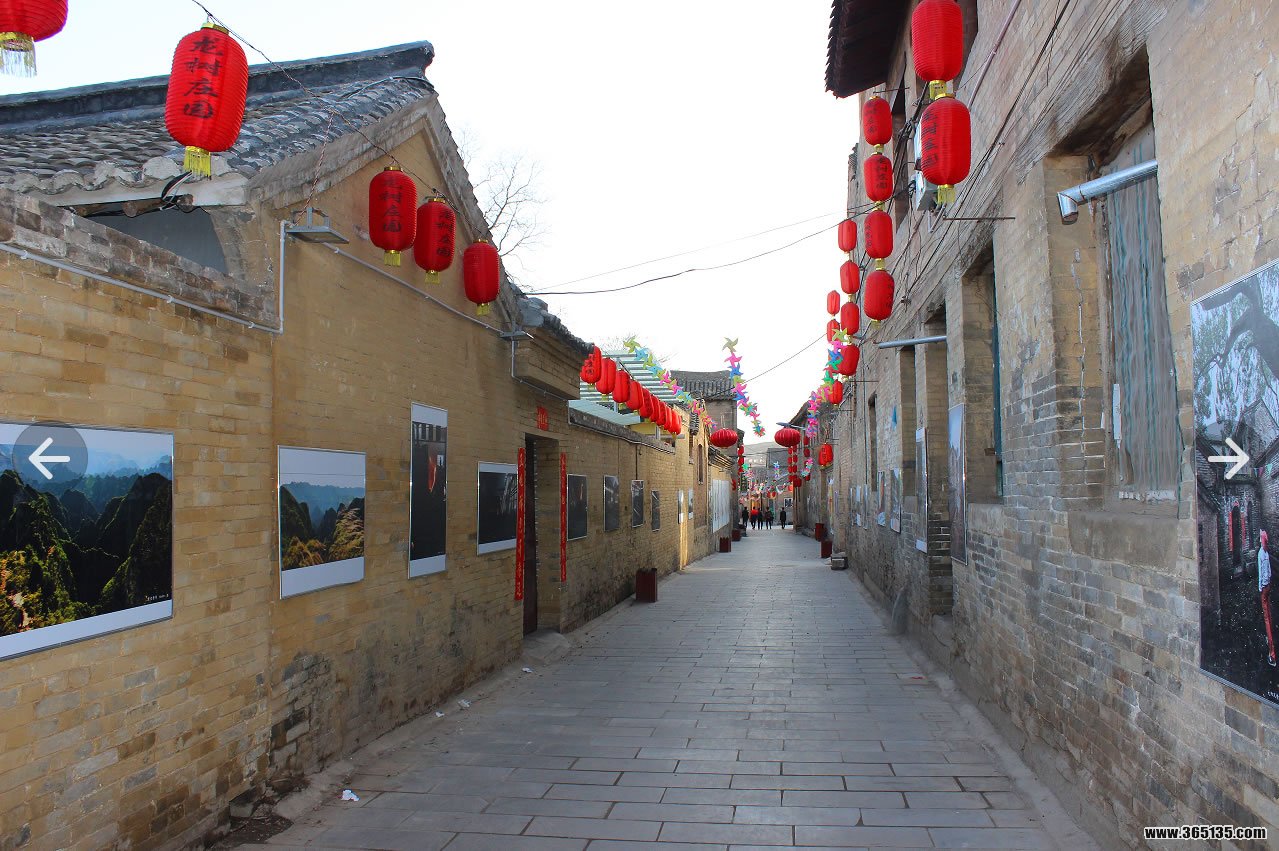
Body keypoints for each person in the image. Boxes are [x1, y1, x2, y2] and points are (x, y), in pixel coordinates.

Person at [1262, 530, 1276, 667]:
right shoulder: (1267, 554)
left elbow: (1263, 573)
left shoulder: (1263, 554)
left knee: (1268, 620)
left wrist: (1261, 587)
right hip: (1269, 586)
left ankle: (1272, 655)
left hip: (1266, 587)